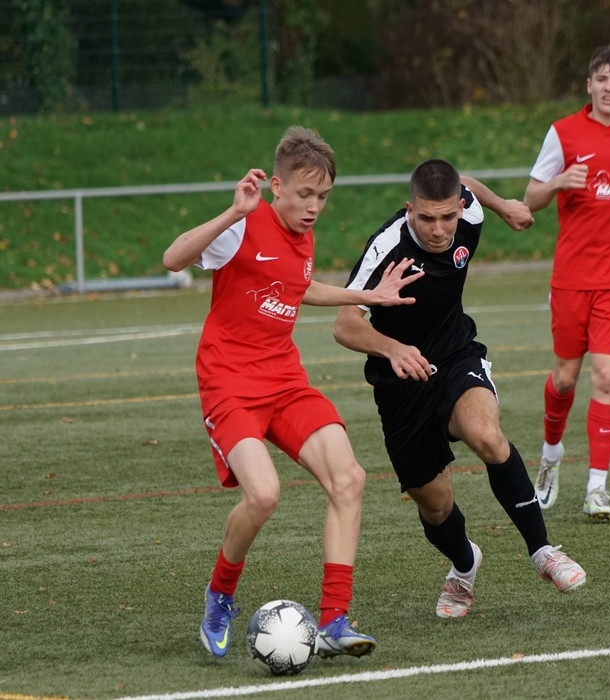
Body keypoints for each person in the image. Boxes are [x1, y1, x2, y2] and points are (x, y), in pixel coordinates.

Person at [162, 125, 423, 660]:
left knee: (349, 479)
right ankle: (220, 594)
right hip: (229, 382)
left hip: (283, 379)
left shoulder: (303, 233)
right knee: (263, 495)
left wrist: (369, 295)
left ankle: (333, 621)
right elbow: (173, 258)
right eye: (305, 195)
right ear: (276, 186)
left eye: (323, 197)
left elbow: (298, 286)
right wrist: (233, 212)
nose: (314, 207)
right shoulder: (244, 224)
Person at [333, 159, 586, 619]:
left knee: (487, 435)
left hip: (455, 357)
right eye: (426, 218)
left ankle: (543, 551)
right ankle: (465, 566)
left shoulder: (468, 212)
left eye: (447, 216)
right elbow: (345, 325)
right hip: (400, 383)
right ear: (409, 209)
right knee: (435, 506)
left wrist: (504, 206)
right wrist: (392, 348)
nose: (438, 229)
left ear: (459, 208)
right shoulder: (387, 247)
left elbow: (465, 182)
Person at [523, 45, 610, 520]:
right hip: (571, 278)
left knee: (606, 376)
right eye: (601, 79)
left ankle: (597, 488)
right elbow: (531, 197)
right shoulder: (563, 133)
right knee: (565, 378)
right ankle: (550, 456)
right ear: (589, 85)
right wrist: (559, 182)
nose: (608, 87)